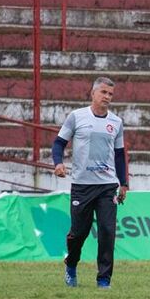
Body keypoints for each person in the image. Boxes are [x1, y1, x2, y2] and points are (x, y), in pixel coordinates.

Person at [52, 76, 128, 288]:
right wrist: (58, 163)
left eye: (110, 94)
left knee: (107, 231)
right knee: (79, 233)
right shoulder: (77, 117)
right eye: (103, 92)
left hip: (107, 186)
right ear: (93, 93)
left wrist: (124, 183)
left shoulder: (116, 122)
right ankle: (71, 263)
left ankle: (104, 279)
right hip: (82, 185)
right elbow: (58, 143)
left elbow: (120, 155)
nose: (107, 97)